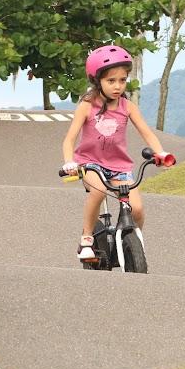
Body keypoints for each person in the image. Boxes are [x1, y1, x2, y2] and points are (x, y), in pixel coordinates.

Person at [62, 45, 170, 261]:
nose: (118, 86)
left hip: (120, 168)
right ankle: (86, 238)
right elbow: (69, 139)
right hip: (90, 164)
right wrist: (69, 162)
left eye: (122, 80)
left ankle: (132, 241)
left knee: (137, 209)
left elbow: (147, 133)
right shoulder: (87, 105)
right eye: (111, 81)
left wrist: (161, 152)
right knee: (99, 190)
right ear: (97, 80)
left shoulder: (127, 106)